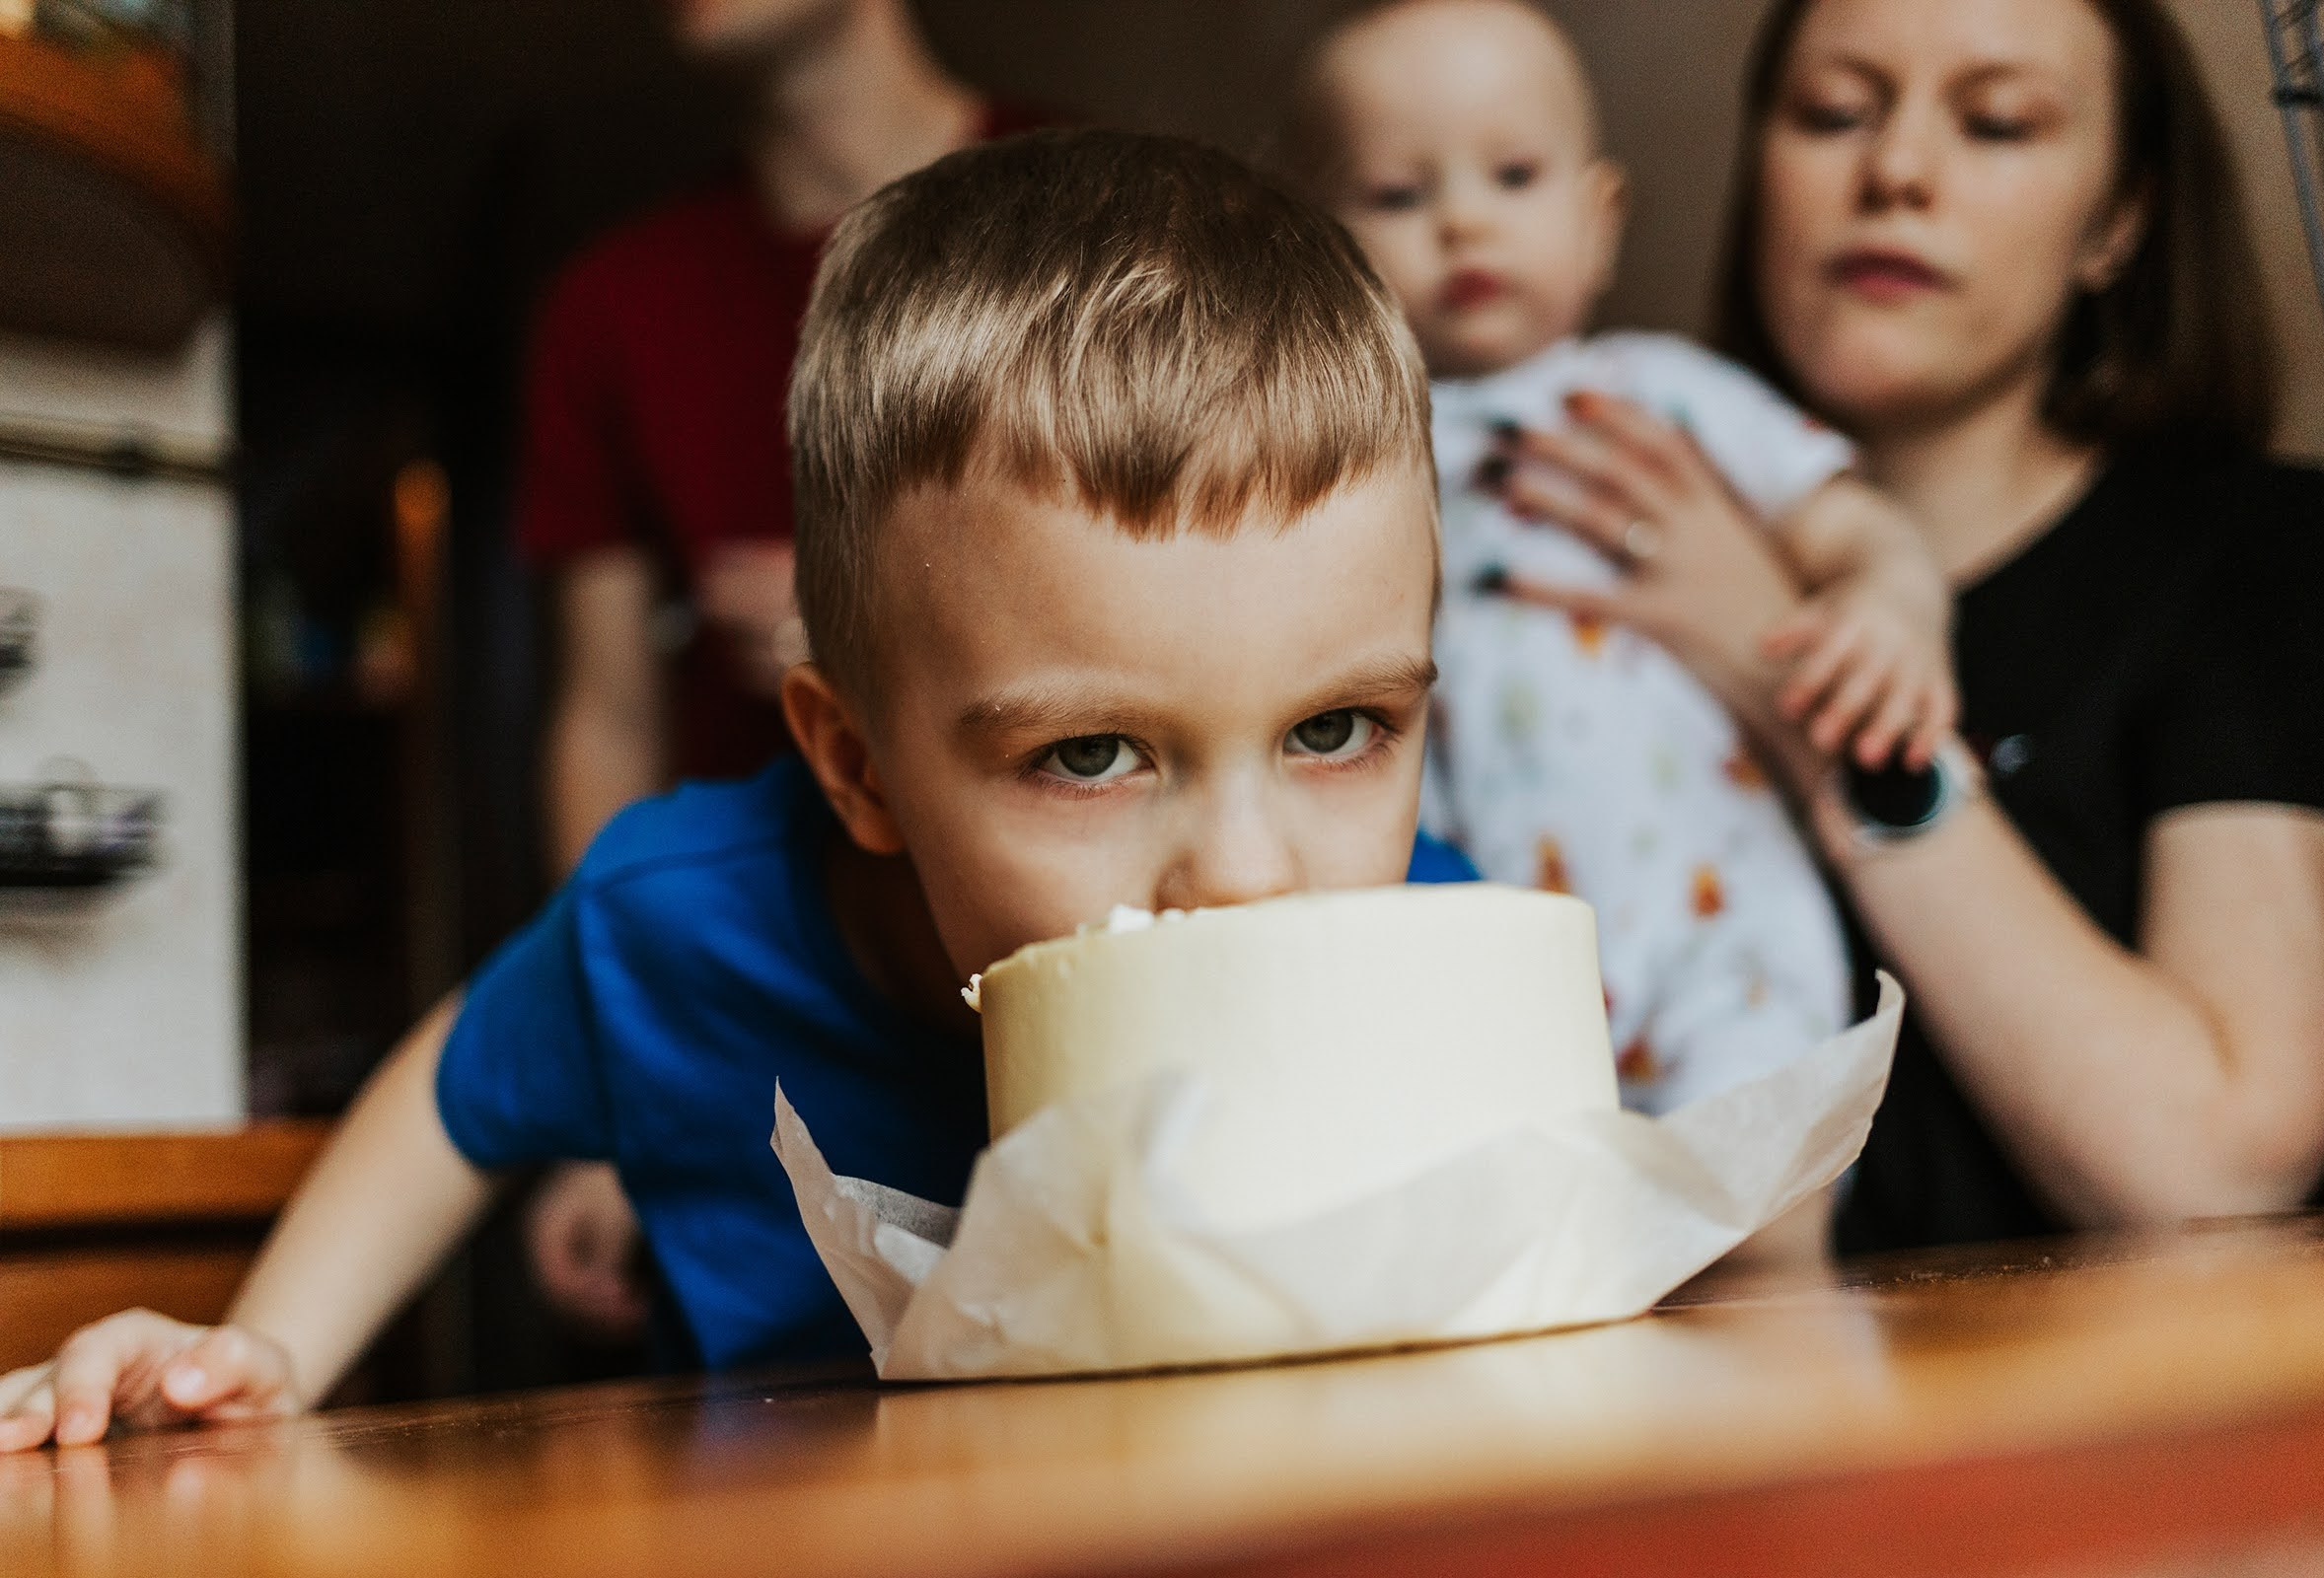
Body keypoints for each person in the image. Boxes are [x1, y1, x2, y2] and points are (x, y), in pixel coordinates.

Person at [0, 128, 1471, 1448]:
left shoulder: (1442, 948)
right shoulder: (681, 925)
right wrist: (268, 1348)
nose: (1247, 874)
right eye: (1089, 755)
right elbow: (451, 1099)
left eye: (1339, 729)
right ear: (856, 764)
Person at [1484, 0, 2324, 1250]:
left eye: (1997, 122)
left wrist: (1778, 661)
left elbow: (2215, 1164)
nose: (1894, 170)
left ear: (2118, 222)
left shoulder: (2259, 555)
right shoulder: (1572, 529)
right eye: (1834, 113)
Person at [1285, 0, 1953, 1115]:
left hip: (1719, 926)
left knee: (1761, 1190)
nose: (1463, 223)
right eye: (1401, 194)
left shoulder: (1661, 391)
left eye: (1512, 175)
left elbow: (1852, 523)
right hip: (1490, 958)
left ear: (1600, 222)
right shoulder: (1354, 455)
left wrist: (1893, 604)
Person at [519, 0, 1037, 1335]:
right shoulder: (612, 305)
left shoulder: (1079, 209)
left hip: (1035, 962)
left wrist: (893, 618)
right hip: (761, 1009)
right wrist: (608, 1103)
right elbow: (605, 717)